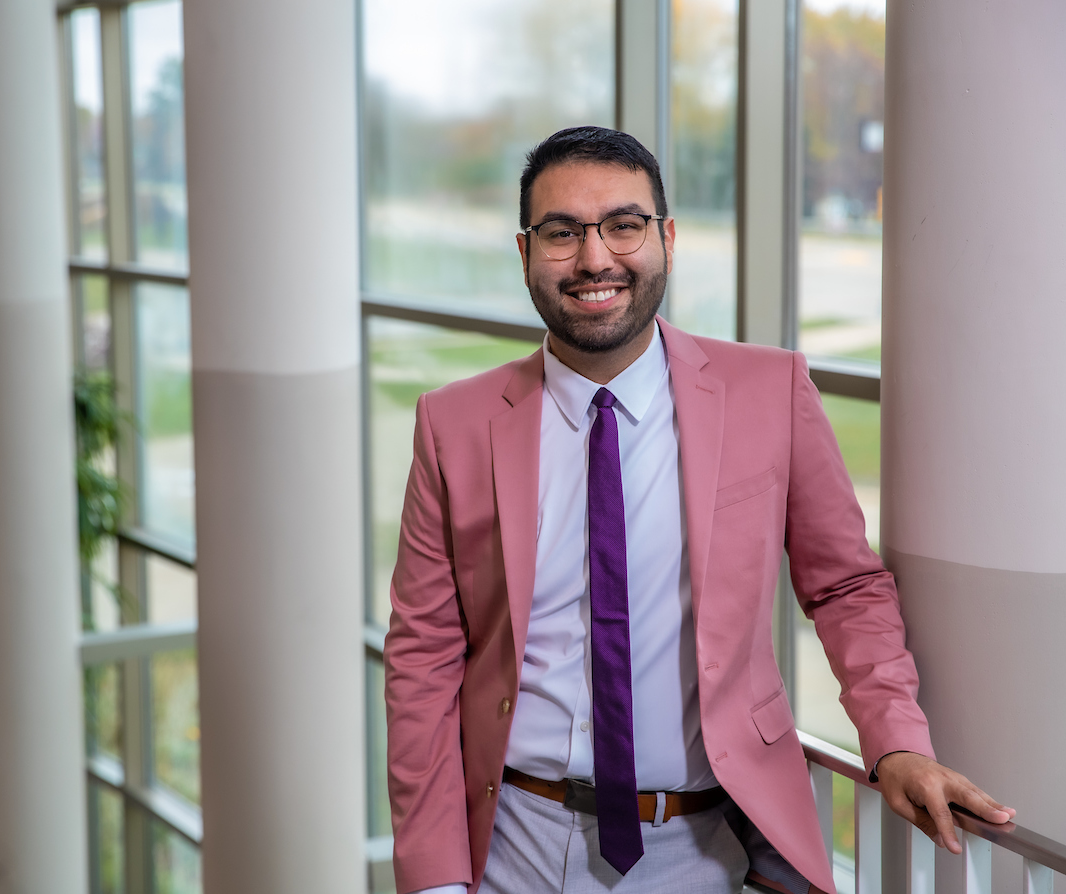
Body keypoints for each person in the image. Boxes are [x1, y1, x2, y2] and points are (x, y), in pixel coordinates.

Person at [383, 126, 1013, 894]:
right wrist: (437, 882)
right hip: (513, 839)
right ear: (525, 254)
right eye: (561, 233)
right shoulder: (454, 424)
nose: (594, 259)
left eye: (624, 225)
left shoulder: (769, 392)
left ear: (667, 239)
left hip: (701, 844)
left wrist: (897, 742)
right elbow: (422, 658)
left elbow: (845, 586)